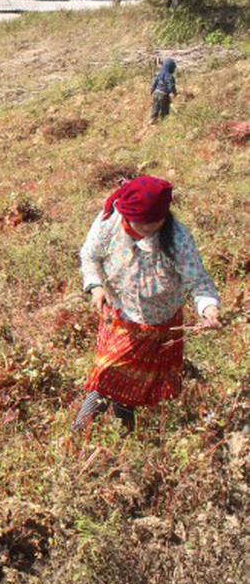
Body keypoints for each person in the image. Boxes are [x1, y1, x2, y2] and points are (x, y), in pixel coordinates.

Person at [73, 175, 221, 433]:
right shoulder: (110, 222)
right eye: (141, 224)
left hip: (160, 325)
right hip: (119, 314)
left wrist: (209, 309)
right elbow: (90, 256)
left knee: (132, 388)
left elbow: (199, 282)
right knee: (105, 375)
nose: (148, 230)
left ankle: (125, 430)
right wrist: (96, 286)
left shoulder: (178, 240)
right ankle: (78, 433)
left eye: (154, 224)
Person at [149, 58, 178, 124]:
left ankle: (153, 118)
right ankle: (163, 120)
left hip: (156, 93)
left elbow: (154, 83)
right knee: (164, 107)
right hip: (164, 94)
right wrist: (174, 93)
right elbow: (171, 86)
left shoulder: (159, 74)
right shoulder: (170, 76)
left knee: (155, 106)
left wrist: (151, 90)